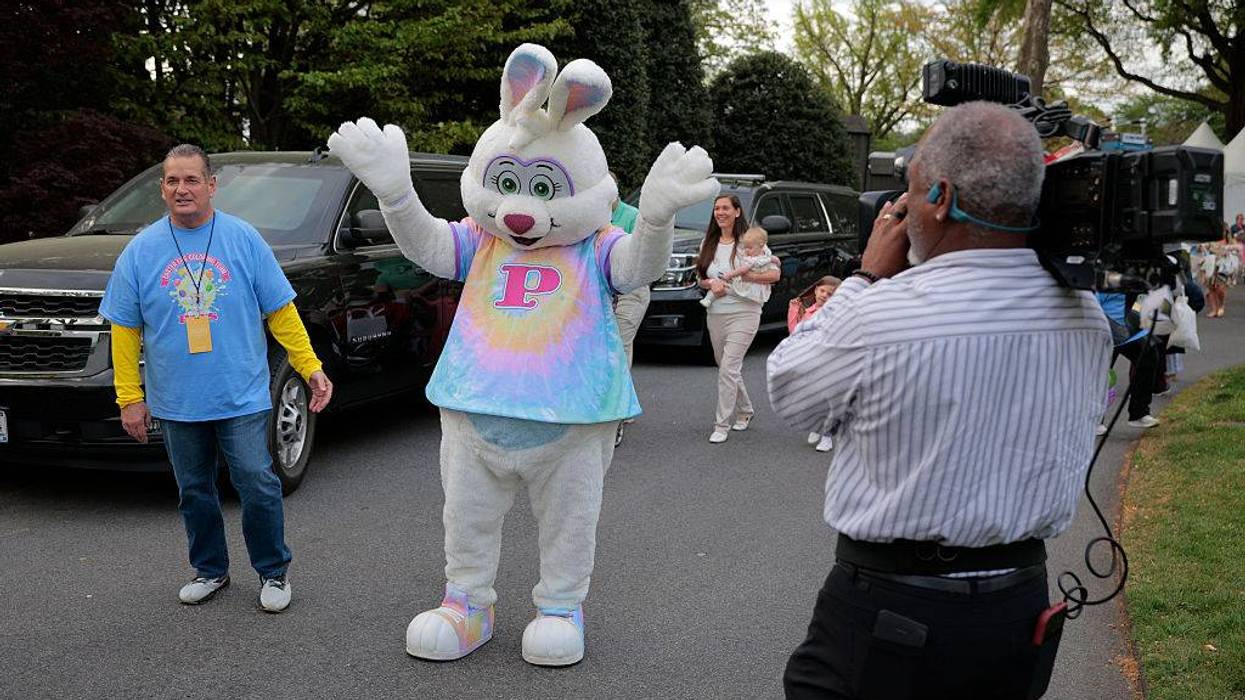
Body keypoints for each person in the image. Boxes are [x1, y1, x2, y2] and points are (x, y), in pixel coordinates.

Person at [768, 102, 1111, 699]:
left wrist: (868, 276)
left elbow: (791, 392)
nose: (898, 209)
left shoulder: (880, 314)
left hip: (891, 606)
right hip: (1019, 602)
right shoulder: (1085, 317)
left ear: (941, 197)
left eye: (909, 190)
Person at [100, 144, 334, 612]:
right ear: (162, 189)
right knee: (195, 491)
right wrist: (130, 396)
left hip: (242, 394)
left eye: (191, 180)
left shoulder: (243, 239)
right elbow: (124, 330)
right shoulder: (141, 251)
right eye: (171, 181)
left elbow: (281, 312)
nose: (181, 189)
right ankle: (210, 570)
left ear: (211, 186)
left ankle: (272, 572)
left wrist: (310, 367)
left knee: (257, 482)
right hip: (177, 400)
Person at [696, 195, 780, 444]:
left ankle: (721, 424)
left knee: (729, 368)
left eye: (725, 208)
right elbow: (700, 278)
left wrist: (743, 279)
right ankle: (745, 410)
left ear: (736, 211)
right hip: (716, 312)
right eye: (716, 208)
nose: (720, 212)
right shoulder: (708, 243)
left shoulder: (751, 241)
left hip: (745, 311)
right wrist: (711, 283)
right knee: (726, 368)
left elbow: (775, 274)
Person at [609, 172, 649, 447]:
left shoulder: (631, 216)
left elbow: (640, 256)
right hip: (603, 289)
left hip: (631, 290)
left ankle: (617, 417)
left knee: (618, 347)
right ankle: (626, 403)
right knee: (619, 345)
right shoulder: (592, 216)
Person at [786, 276, 841, 452]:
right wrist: (794, 310)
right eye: (822, 291)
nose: (825, 295)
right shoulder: (808, 311)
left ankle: (827, 437)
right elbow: (794, 332)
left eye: (830, 294)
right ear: (816, 290)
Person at [701, 226, 779, 309]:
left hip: (747, 298)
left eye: (749, 248)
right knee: (722, 284)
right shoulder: (707, 242)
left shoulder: (756, 256)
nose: (746, 251)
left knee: (727, 285)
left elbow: (743, 270)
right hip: (720, 308)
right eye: (745, 248)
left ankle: (708, 299)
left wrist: (731, 275)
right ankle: (708, 298)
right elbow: (701, 278)